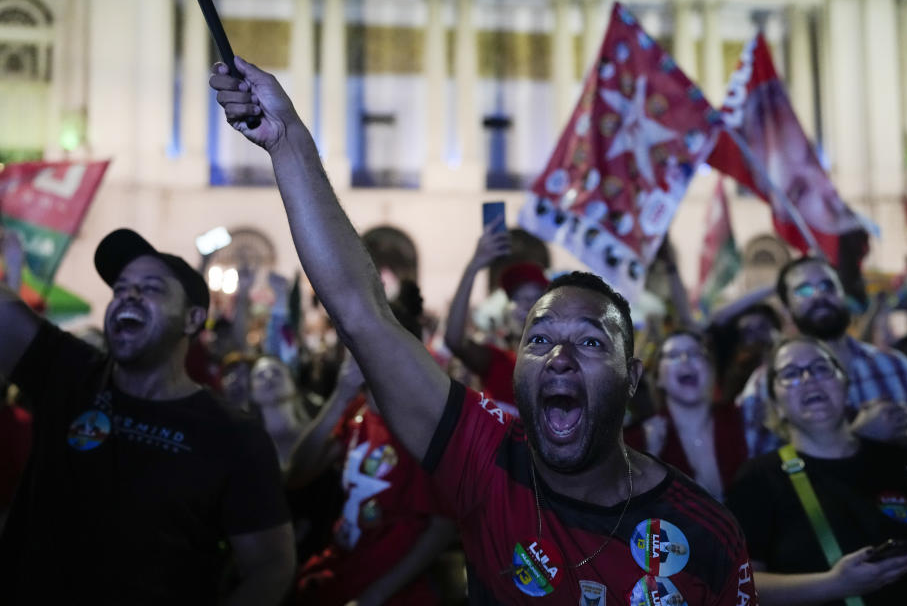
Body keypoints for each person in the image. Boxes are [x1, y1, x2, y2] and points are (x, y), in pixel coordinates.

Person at [210, 56, 758, 604]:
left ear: (633, 377)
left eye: (591, 341)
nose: (559, 357)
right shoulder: (484, 459)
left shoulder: (707, 534)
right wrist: (289, 144)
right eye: (538, 339)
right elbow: (361, 313)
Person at [0, 228, 295, 604]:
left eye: (152, 288)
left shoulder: (233, 436)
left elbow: (271, 566)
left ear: (192, 319)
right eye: (120, 289)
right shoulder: (69, 374)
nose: (129, 295)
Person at [726, 336, 907, 604]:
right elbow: (739, 587)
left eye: (821, 368)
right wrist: (833, 584)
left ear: (845, 385)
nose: (808, 378)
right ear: (776, 405)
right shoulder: (758, 478)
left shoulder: (901, 461)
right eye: (790, 374)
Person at [287, 289, 457, 606]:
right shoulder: (356, 411)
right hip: (340, 569)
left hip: (392, 588)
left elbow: (442, 527)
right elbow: (298, 474)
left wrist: (374, 596)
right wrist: (339, 396)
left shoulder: (423, 424)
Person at [736, 256, 907, 463]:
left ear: (843, 295)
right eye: (803, 291)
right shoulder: (768, 383)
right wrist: (856, 436)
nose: (818, 296)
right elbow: (763, 472)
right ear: (786, 309)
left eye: (827, 286)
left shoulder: (895, 366)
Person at [445, 224, 549, 415]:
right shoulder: (498, 361)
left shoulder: (561, 363)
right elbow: (454, 340)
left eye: (534, 298)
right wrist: (473, 266)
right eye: (519, 298)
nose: (526, 306)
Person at [634, 331, 748, 500]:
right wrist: (651, 456)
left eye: (695, 353)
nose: (685, 360)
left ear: (711, 370)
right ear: (658, 378)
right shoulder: (638, 440)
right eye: (673, 355)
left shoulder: (743, 419)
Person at [251, 354, 308, 465]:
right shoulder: (251, 447)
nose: (269, 376)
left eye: (276, 372)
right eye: (260, 375)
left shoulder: (314, 433)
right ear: (252, 393)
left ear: (292, 384)